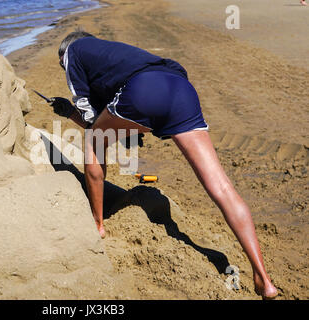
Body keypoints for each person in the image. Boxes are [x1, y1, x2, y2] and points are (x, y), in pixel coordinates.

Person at [53, 31, 278, 299]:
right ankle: (264, 279)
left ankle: (98, 224)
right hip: (180, 89)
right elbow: (114, 119)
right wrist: (72, 114)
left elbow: (93, 122)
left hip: (143, 90)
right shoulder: (111, 55)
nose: (64, 68)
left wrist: (72, 112)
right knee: (221, 187)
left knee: (92, 141)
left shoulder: (73, 51)